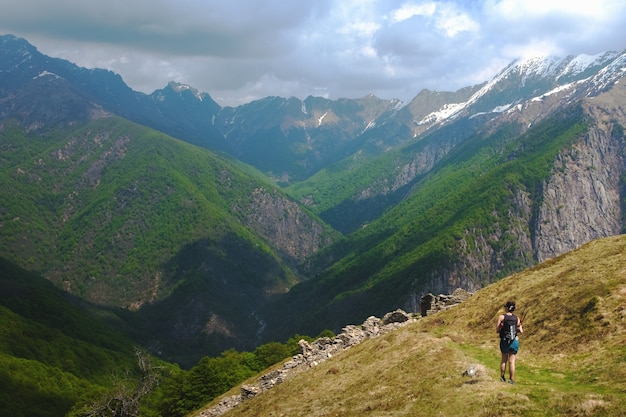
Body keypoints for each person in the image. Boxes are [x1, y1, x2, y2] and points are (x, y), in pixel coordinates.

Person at [496, 300, 523, 384]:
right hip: (514, 341)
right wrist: (517, 327)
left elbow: (497, 330)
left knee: (504, 360)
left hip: (505, 341)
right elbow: (521, 330)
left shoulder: (502, 317)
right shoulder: (517, 318)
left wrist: (501, 327)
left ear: (506, 308)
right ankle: (511, 379)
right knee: (512, 362)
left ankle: (502, 377)